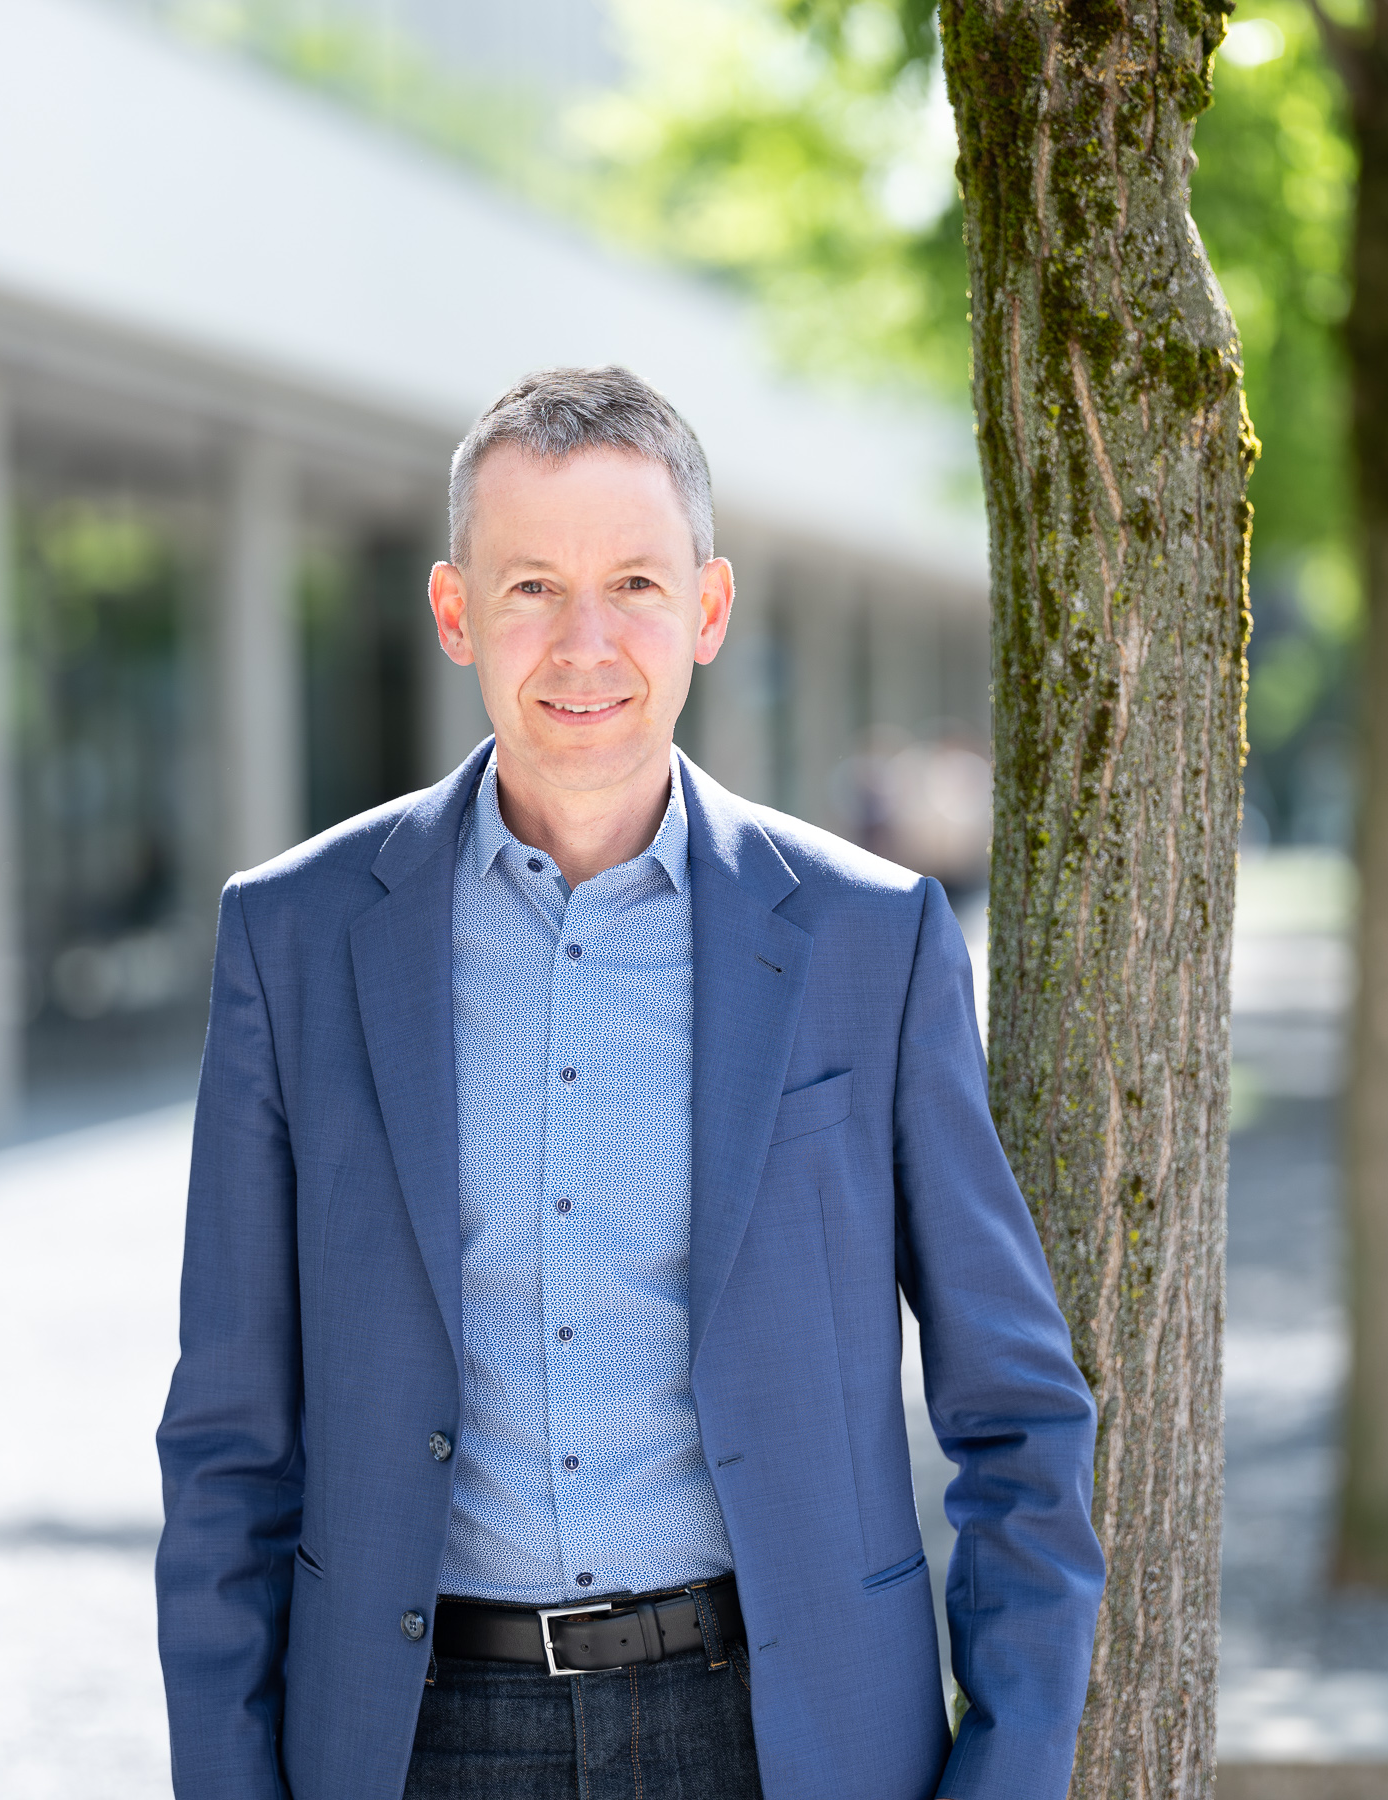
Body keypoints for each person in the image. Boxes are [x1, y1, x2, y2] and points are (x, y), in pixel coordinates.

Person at [156, 365, 1104, 1800]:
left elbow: (1018, 1414)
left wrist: (1010, 1773)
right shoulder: (293, 938)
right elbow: (228, 1444)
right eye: (531, 585)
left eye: (637, 585)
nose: (585, 640)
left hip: (781, 1740)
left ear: (708, 611)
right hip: (419, 1741)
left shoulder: (870, 940)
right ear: (455, 610)